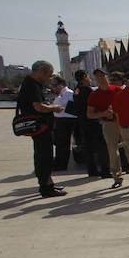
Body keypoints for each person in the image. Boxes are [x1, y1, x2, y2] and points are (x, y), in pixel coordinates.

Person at [17, 60, 66, 197]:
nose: (49, 79)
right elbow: (38, 106)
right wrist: (54, 108)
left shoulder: (30, 83)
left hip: (40, 126)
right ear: (41, 72)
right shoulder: (31, 85)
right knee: (44, 156)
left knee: (45, 155)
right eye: (48, 75)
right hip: (39, 126)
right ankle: (46, 187)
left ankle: (48, 183)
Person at [87, 69, 124, 188]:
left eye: (102, 75)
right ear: (95, 79)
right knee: (112, 151)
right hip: (108, 124)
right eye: (97, 76)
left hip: (123, 122)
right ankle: (117, 178)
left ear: (107, 76)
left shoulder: (117, 90)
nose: (100, 78)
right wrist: (103, 113)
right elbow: (89, 114)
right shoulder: (94, 95)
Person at [74, 70, 109, 178]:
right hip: (92, 121)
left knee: (88, 148)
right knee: (102, 147)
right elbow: (93, 105)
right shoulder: (86, 89)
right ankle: (105, 171)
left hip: (82, 122)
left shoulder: (77, 89)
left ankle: (92, 170)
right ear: (85, 76)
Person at [51, 75, 79, 171]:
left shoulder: (68, 93)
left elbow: (72, 106)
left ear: (62, 84)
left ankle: (62, 164)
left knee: (64, 143)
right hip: (59, 120)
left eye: (55, 85)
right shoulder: (60, 94)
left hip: (66, 120)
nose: (53, 87)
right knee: (59, 143)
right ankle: (58, 162)